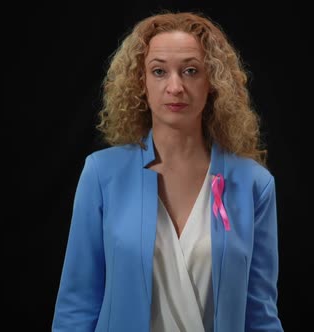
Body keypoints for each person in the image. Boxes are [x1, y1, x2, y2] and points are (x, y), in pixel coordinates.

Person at [52, 11, 283, 332]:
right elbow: (77, 304)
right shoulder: (102, 174)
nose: (175, 87)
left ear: (213, 82)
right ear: (140, 82)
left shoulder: (253, 184)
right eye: (159, 71)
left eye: (191, 71)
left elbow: (260, 312)